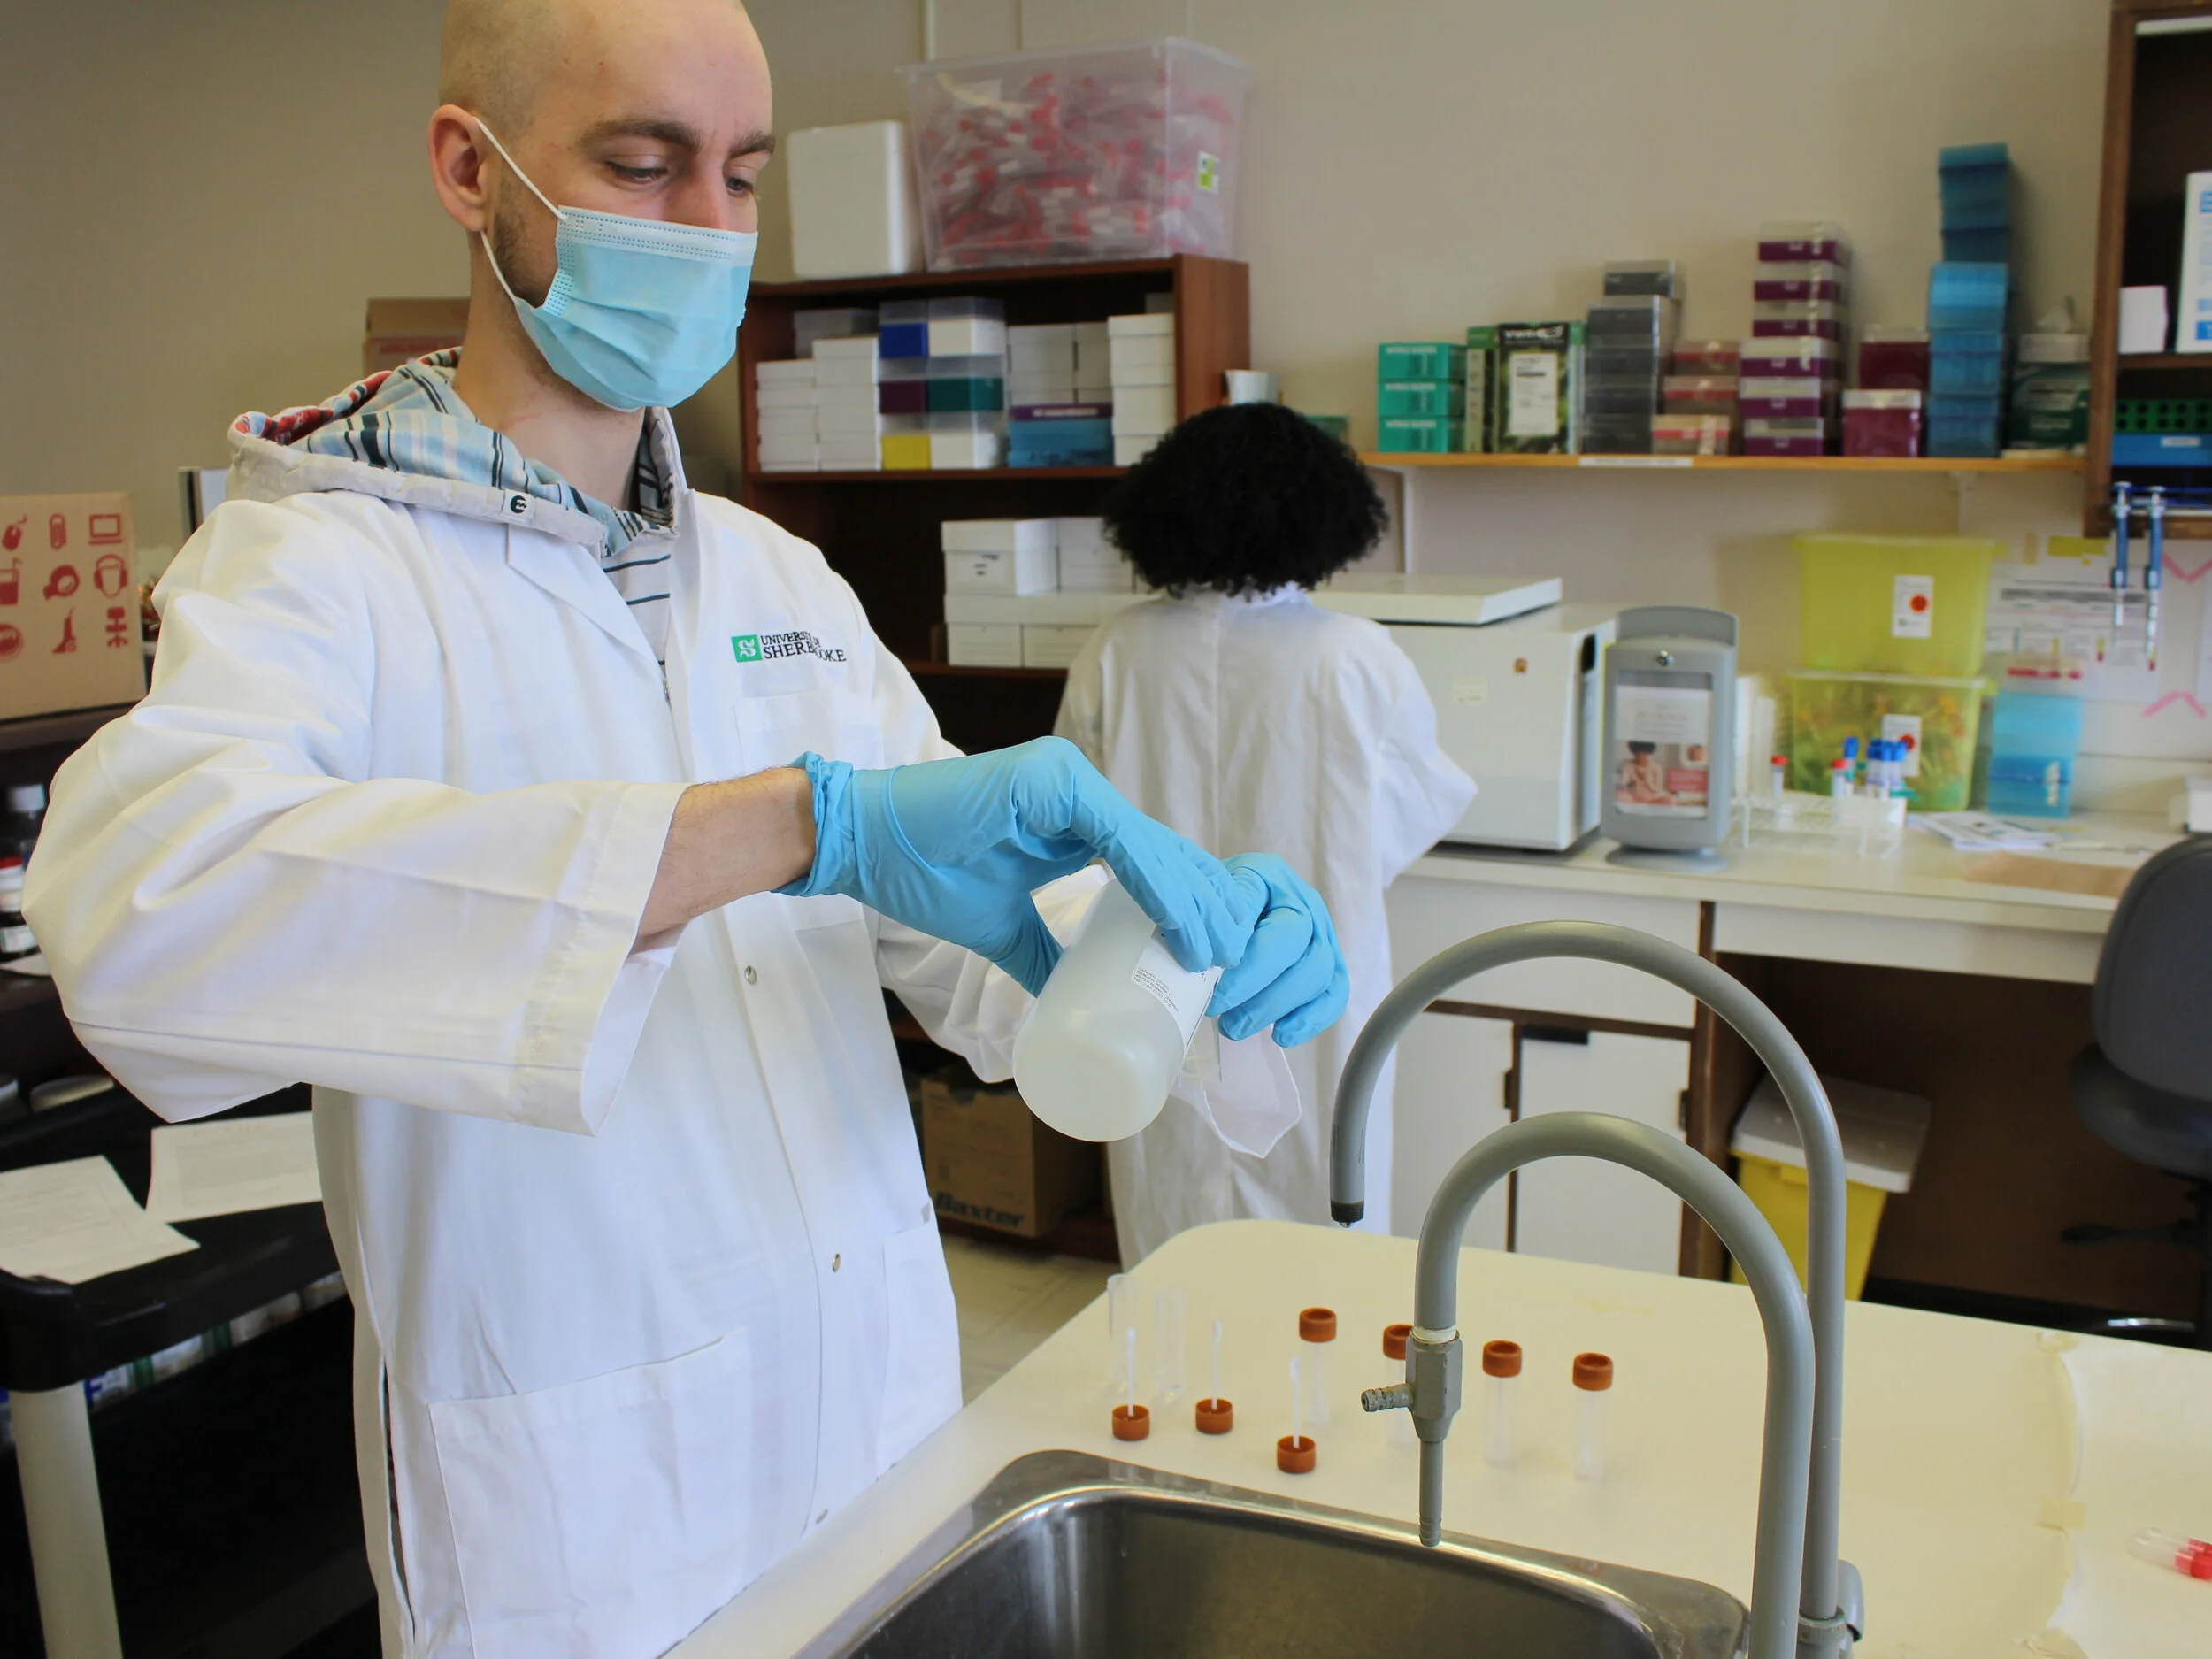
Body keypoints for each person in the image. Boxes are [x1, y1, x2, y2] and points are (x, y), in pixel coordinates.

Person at [22, 4, 1346, 1655]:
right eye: (641, 167)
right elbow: (143, 938)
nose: (708, 232)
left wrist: (1177, 941)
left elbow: (973, 942)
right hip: (581, 1507)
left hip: (877, 1429)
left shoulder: (776, 579)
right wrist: (786, 826)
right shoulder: (320, 569)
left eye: (739, 177)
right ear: (468, 169)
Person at [1056, 403, 1476, 1266]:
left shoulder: (1117, 649)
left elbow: (1071, 816)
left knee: (1169, 1178)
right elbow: (1418, 803)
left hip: (1154, 964)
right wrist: (1331, 862)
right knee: (1325, 1186)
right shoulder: (1355, 655)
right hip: (1309, 970)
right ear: (1322, 514)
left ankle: (1175, 1368)